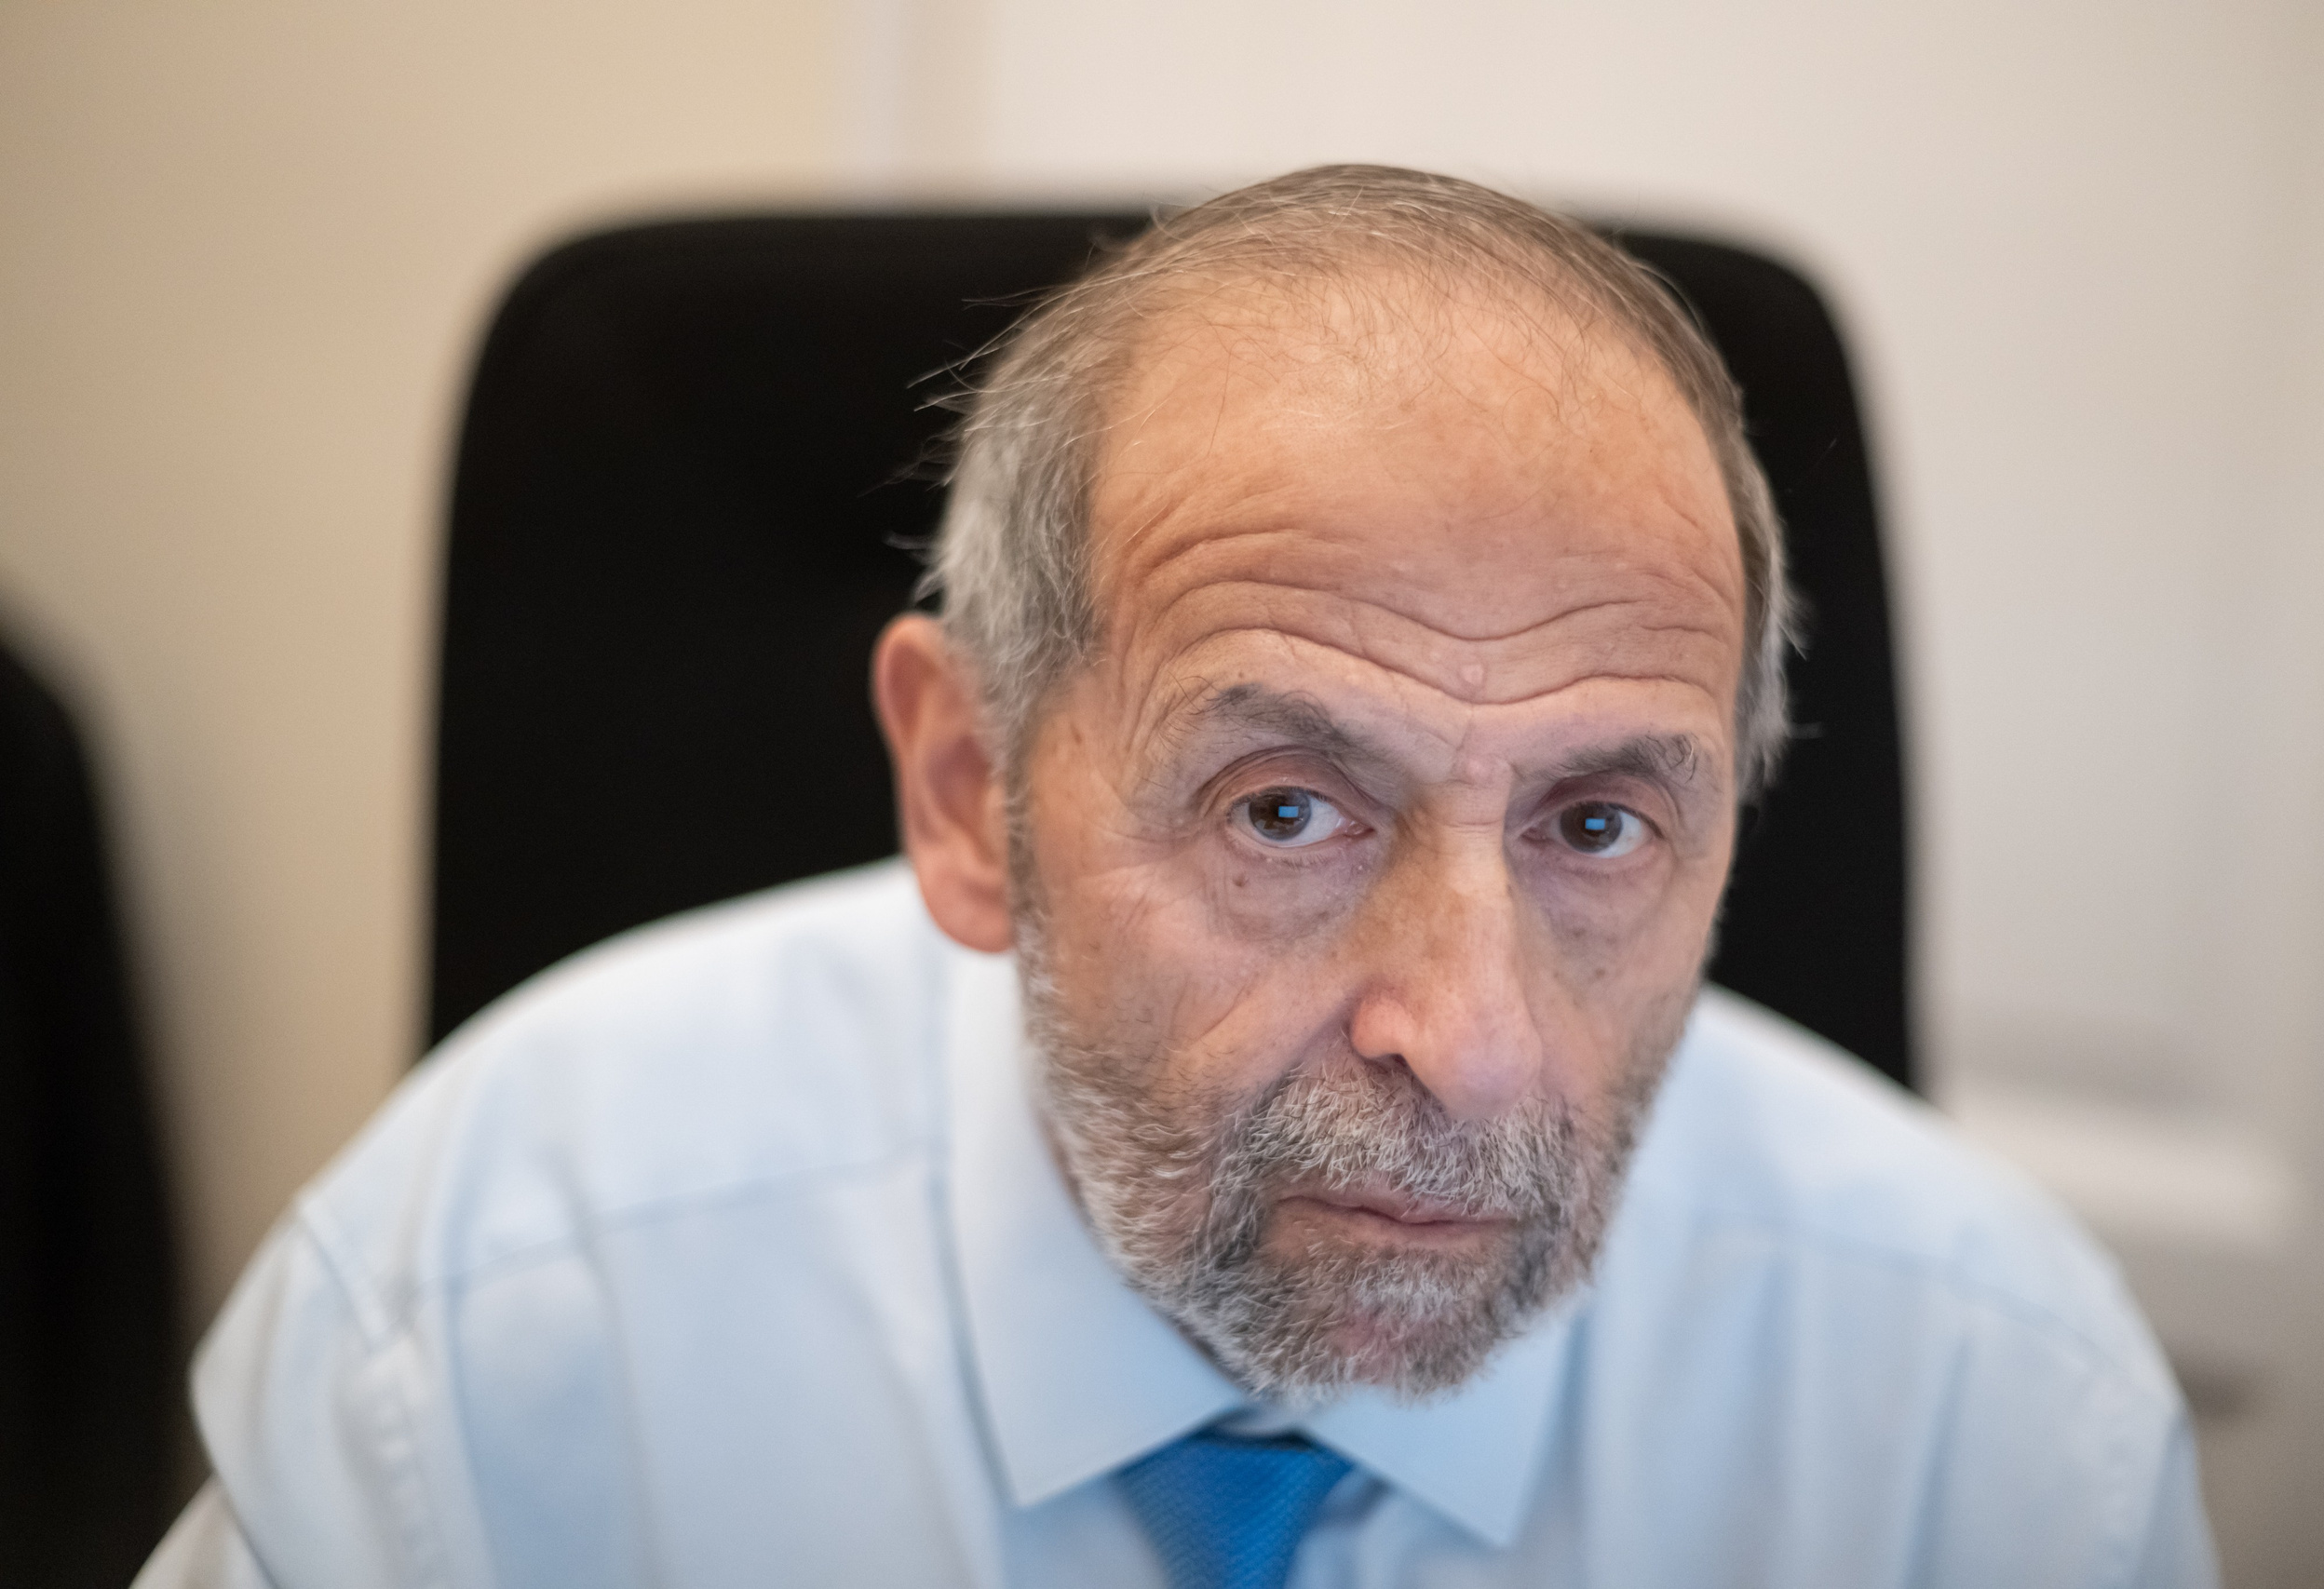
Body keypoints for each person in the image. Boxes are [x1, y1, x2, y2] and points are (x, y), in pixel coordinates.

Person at [135, 166, 2216, 1588]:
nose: (1474, 1043)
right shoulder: (486, 1315)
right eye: (1284, 810)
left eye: (1595, 826)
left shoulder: (1984, 1423)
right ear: (969, 789)